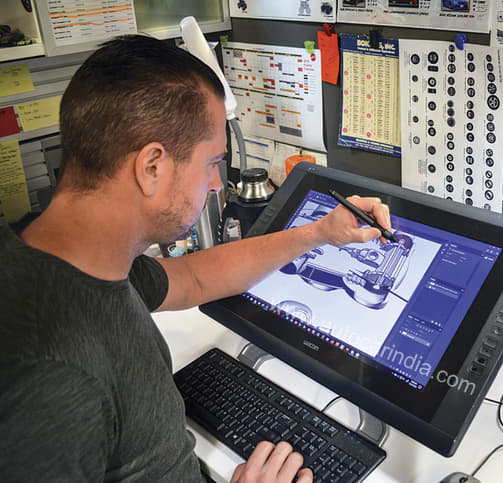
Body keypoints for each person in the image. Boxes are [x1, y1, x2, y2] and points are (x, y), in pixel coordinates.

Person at [0, 34, 391, 482]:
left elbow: (193, 278)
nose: (216, 184)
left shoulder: (71, 255)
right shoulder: (51, 378)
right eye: (211, 163)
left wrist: (318, 234)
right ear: (152, 167)